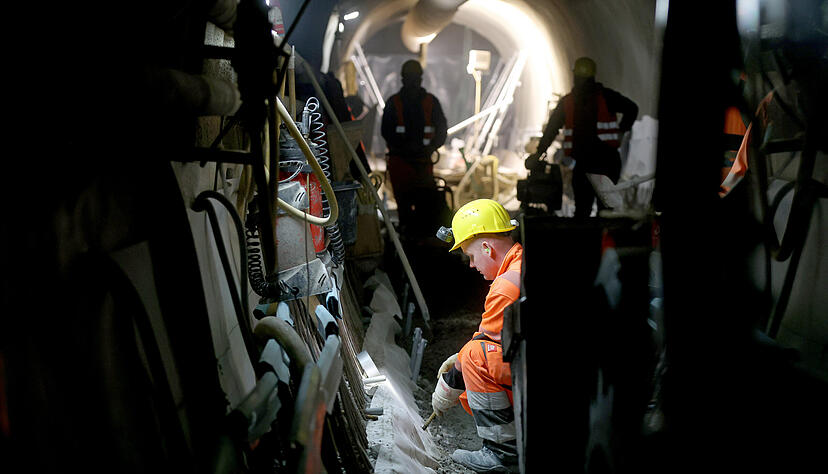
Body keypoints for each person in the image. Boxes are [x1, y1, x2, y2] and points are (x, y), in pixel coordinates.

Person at [432, 199, 522, 473]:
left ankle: (502, 453)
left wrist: (446, 389)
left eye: (471, 256)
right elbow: (491, 337)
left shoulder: (505, 287)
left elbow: (482, 348)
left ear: (486, 247)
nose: (471, 265)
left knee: (473, 357)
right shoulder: (521, 265)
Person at [526, 57, 638, 218]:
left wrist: (539, 152)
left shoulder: (567, 103)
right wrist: (621, 131)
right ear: (593, 76)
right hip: (608, 163)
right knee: (606, 211)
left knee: (582, 211)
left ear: (575, 76)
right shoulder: (607, 97)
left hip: (584, 165)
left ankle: (584, 240)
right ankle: (603, 241)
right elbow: (632, 108)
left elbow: (552, 129)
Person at [381, 59, 449, 237]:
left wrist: (431, 147)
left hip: (422, 162)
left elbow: (441, 129)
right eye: (409, 77)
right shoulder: (394, 103)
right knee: (404, 204)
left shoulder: (431, 103)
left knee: (424, 204)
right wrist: (405, 149)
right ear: (403, 79)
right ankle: (407, 237)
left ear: (420, 78)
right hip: (401, 162)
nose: (412, 81)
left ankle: (419, 238)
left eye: (415, 77)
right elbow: (386, 131)